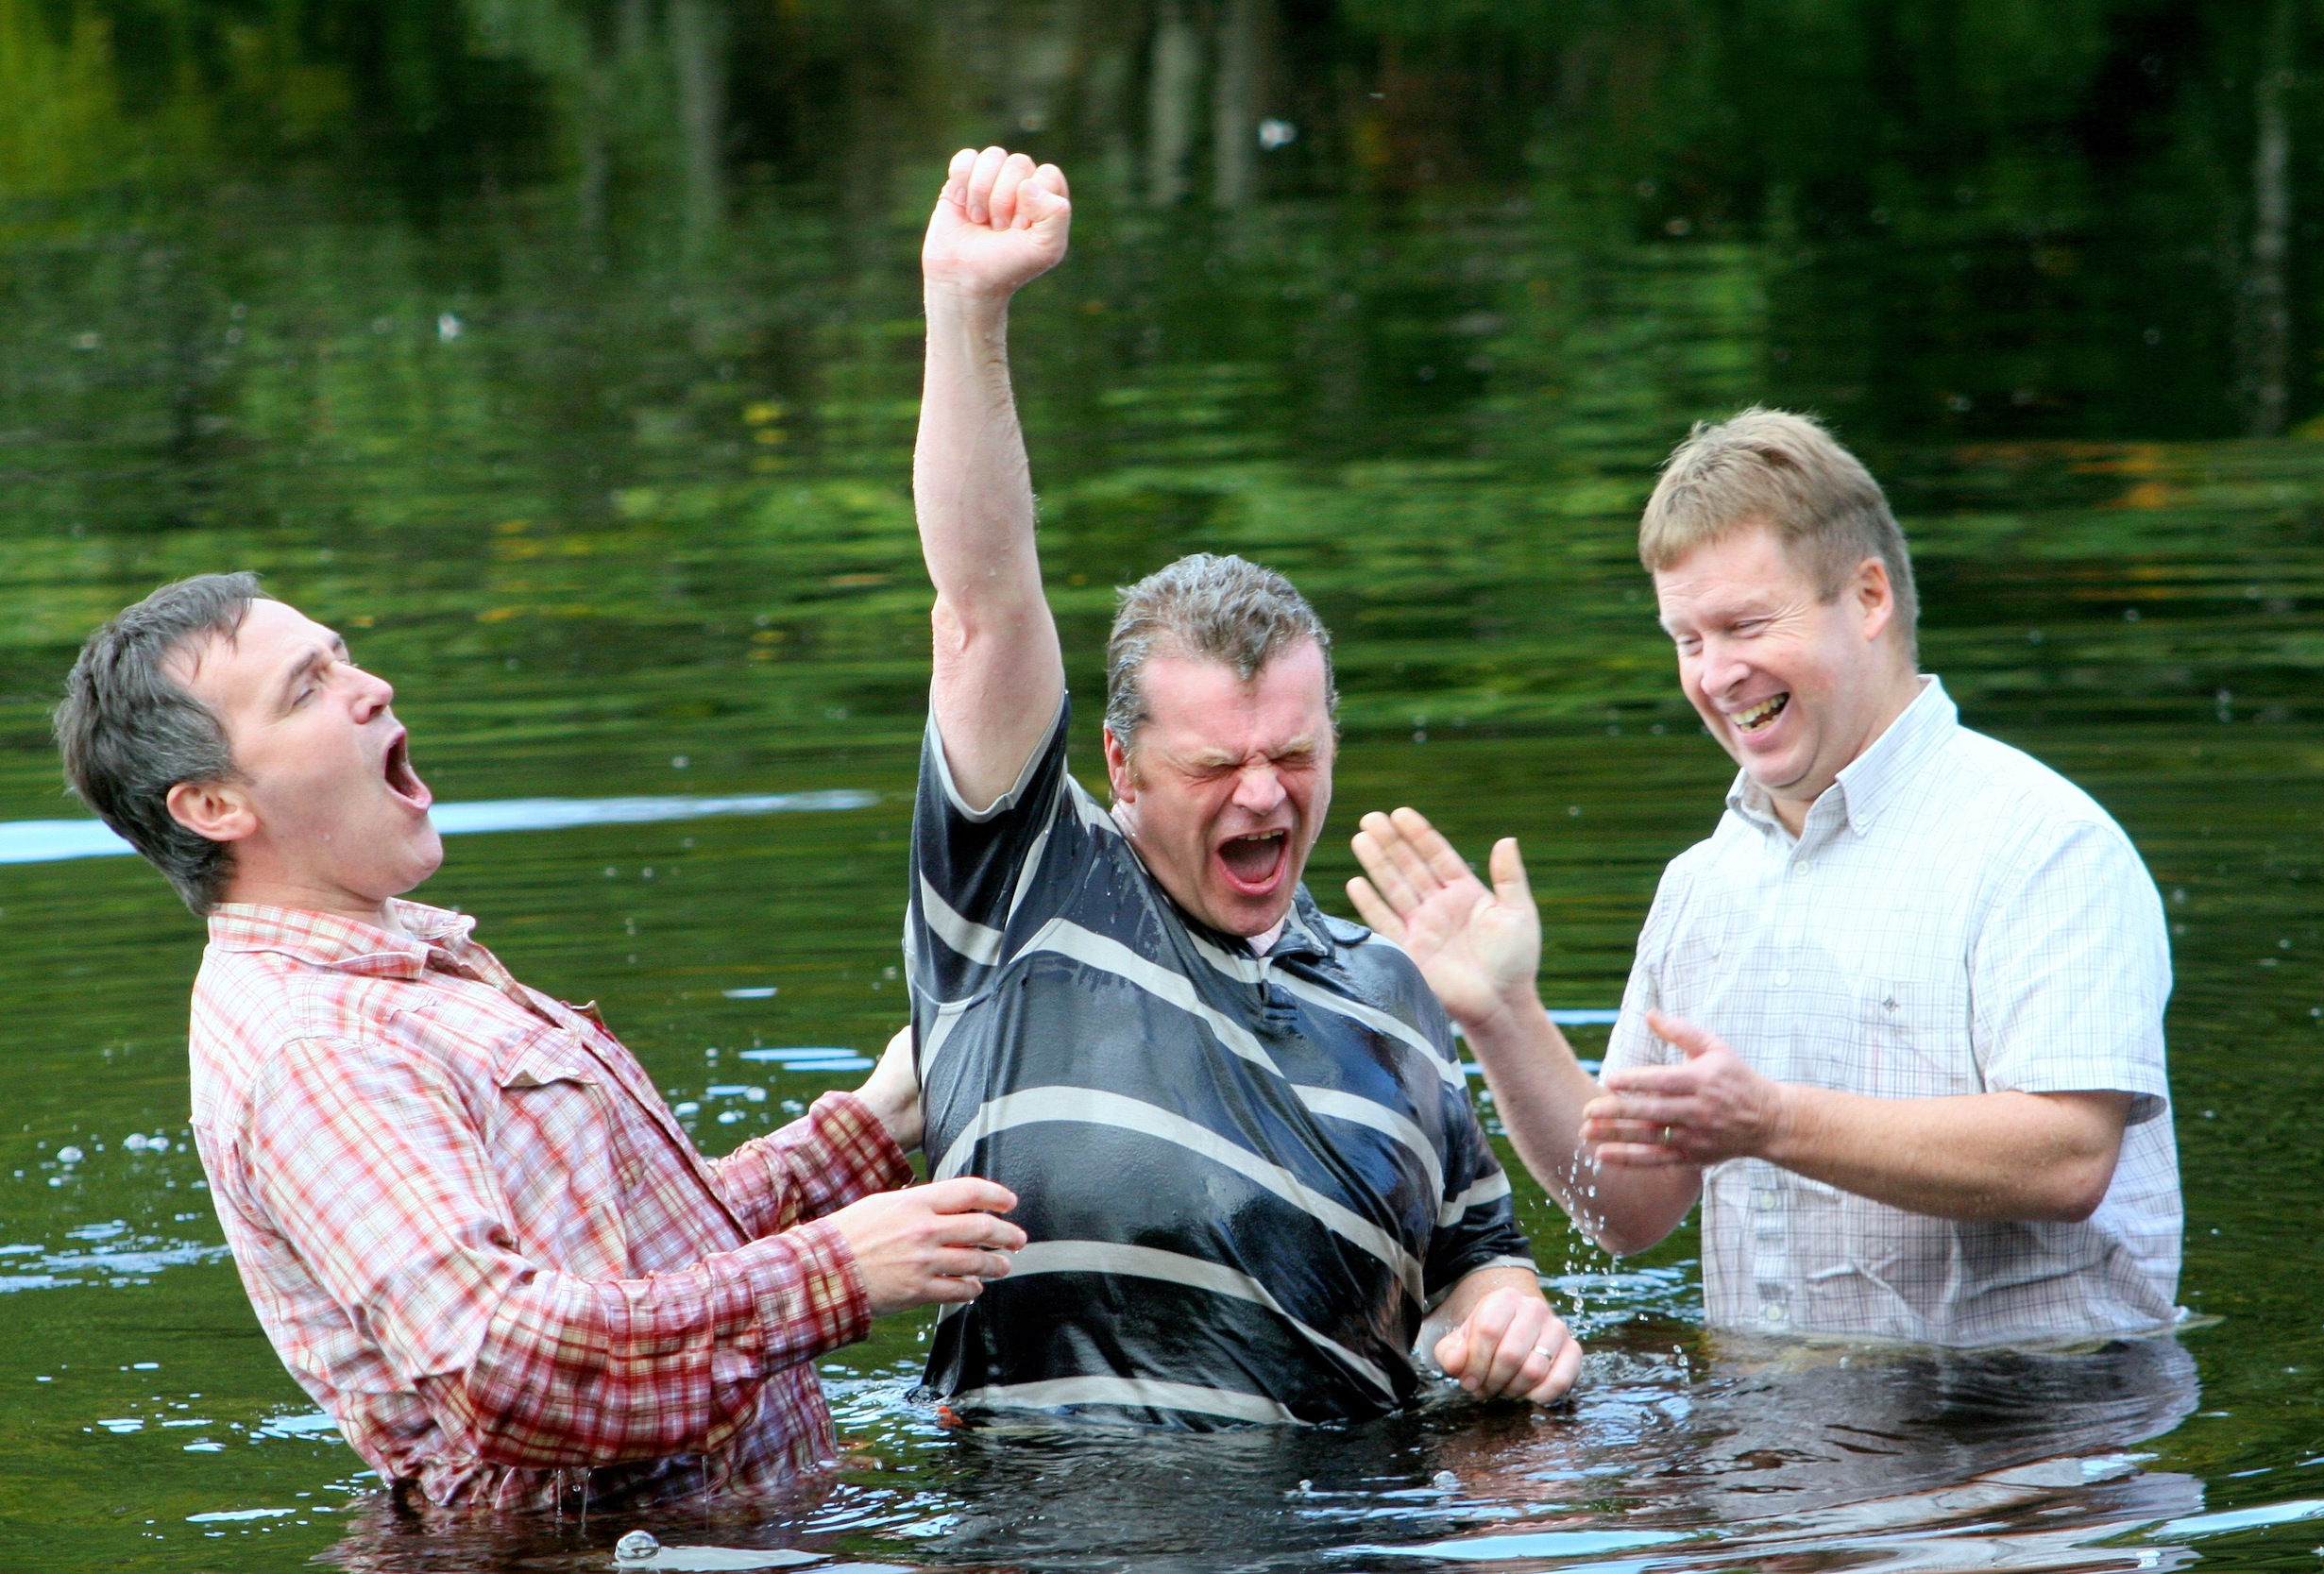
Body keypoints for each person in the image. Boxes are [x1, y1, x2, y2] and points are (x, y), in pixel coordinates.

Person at [54, 573, 1027, 1509]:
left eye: (342, 658)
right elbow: (499, 1363)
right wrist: (836, 1270)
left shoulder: (399, 973)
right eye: (308, 688)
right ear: (215, 805)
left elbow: (624, 1256)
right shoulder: (316, 1047)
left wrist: (860, 1129)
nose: (371, 687)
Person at [903, 146, 1580, 1428]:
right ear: (1121, 767)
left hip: (1345, 1524)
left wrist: (1506, 1323)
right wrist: (967, 306)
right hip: (1048, 1525)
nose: (1264, 796)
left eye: (1296, 755)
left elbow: (1476, 1269)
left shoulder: (1390, 996)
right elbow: (984, 603)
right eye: (1217, 764)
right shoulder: (1027, 890)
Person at [1348, 409, 2181, 1346]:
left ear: (1868, 596)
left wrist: (1771, 1120)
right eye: (1686, 638)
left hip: (2031, 1436)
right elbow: (1631, 1209)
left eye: (1745, 623)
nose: (1715, 673)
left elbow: (2069, 1157)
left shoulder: (2042, 841)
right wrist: (1504, 1014)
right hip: (1769, 1456)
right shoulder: (1703, 883)